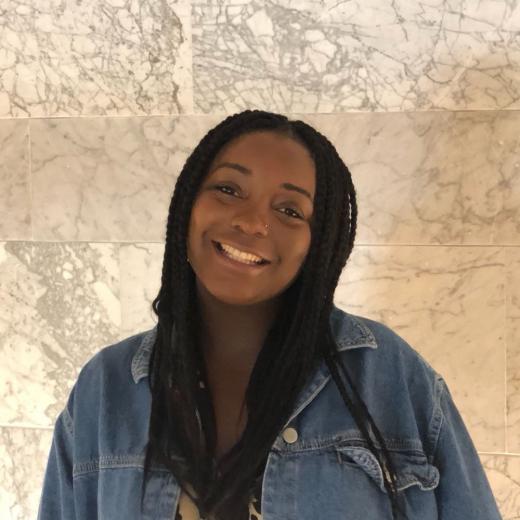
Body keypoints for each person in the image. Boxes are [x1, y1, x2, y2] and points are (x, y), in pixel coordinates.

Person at [37, 110, 502, 520]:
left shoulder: (392, 378)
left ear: (319, 244)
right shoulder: (106, 389)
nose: (252, 221)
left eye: (289, 210)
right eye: (228, 188)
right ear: (187, 204)